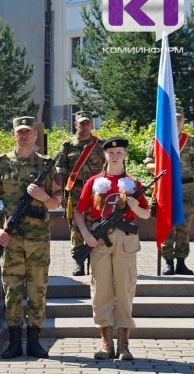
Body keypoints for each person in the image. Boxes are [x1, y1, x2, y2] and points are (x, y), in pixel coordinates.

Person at [0, 116, 61, 359]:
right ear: (14, 134)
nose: (25, 135)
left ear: (36, 135)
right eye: (20, 132)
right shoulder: (1, 163)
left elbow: (58, 203)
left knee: (38, 289)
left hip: (39, 241)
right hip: (11, 239)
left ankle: (35, 341)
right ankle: (15, 341)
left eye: (29, 132)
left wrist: (42, 196)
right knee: (12, 290)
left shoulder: (47, 165)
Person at [74, 137, 150, 361]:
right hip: (99, 240)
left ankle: (124, 344)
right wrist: (86, 234)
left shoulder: (133, 184)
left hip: (126, 241)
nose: (115, 155)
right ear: (105, 155)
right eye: (111, 152)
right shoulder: (94, 182)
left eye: (119, 152)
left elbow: (147, 214)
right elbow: (79, 211)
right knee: (101, 291)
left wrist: (136, 208)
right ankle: (106, 342)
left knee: (125, 291)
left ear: (125, 154)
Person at [144, 107, 194, 275]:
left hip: (186, 189)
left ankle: (181, 262)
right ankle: (168, 263)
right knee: (167, 226)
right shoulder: (159, 140)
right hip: (165, 188)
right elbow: (148, 163)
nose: (177, 122)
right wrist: (158, 168)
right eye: (174, 119)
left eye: (180, 119)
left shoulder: (190, 141)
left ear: (183, 121)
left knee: (183, 227)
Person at [55, 111, 105, 276]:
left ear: (92, 124)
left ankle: (94, 261)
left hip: (96, 192)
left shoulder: (101, 145)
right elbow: (60, 170)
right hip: (75, 191)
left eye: (87, 123)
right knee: (76, 227)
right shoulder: (68, 145)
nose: (84, 126)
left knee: (95, 226)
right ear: (75, 124)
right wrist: (61, 193)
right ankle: (79, 262)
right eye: (81, 123)